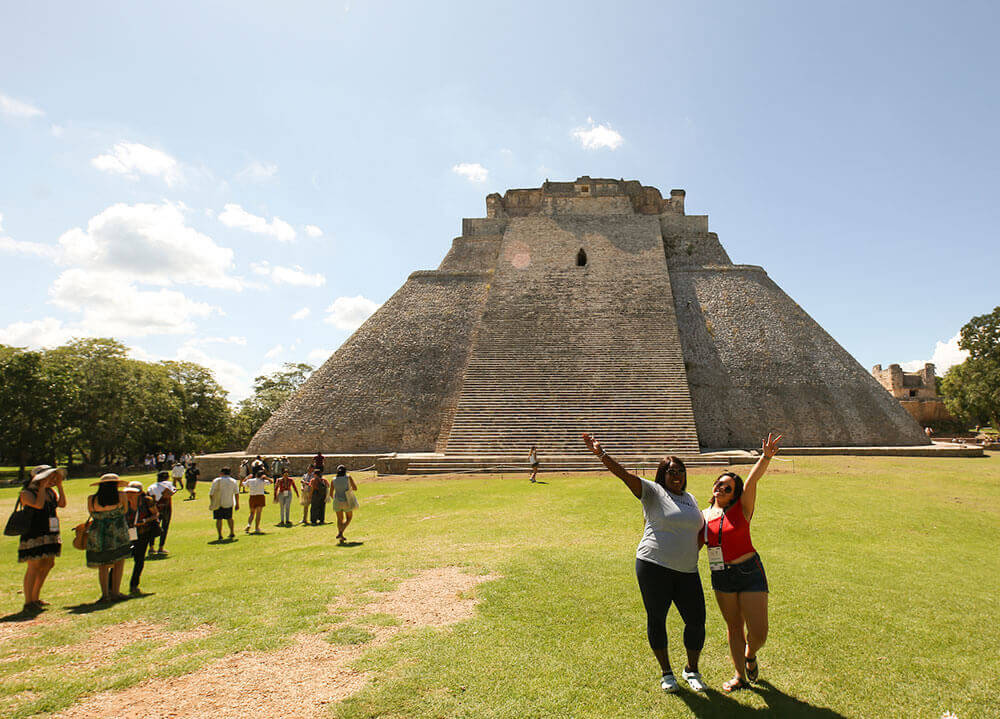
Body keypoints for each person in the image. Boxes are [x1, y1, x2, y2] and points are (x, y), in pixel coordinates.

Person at [582, 433, 707, 693]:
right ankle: (667, 673)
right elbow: (624, 475)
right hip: (653, 566)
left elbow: (697, 531)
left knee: (696, 620)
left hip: (687, 570)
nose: (678, 476)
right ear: (662, 474)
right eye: (672, 472)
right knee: (657, 618)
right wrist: (601, 453)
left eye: (681, 471)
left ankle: (691, 670)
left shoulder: (691, 498)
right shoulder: (652, 490)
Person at [702, 433, 782, 692]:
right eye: (719, 485)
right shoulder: (702, 516)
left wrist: (765, 457)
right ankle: (739, 675)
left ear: (734, 495)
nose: (721, 489)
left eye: (728, 488)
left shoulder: (742, 510)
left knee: (758, 632)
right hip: (721, 575)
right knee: (734, 626)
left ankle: (750, 654)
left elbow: (752, 480)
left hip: (749, 571)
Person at [17, 465, 67, 612]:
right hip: (34, 533)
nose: (51, 479)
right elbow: (38, 505)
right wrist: (42, 487)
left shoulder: (50, 492)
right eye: (48, 476)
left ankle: (36, 597)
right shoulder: (26, 493)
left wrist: (60, 486)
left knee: (48, 563)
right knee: (34, 566)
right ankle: (28, 601)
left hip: (50, 532)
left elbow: (62, 504)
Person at [86, 474, 133, 602]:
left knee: (103, 565)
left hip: (98, 533)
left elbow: (92, 513)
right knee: (119, 562)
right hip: (117, 531)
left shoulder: (92, 499)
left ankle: (105, 594)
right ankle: (116, 592)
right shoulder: (121, 496)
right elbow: (124, 511)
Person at [123, 481, 160, 594]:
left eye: (132, 492)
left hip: (143, 532)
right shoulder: (123, 501)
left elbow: (155, 514)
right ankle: (111, 588)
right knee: (119, 559)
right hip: (126, 533)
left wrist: (144, 521)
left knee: (139, 559)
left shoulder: (147, 501)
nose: (129, 494)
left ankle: (134, 585)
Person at [147, 470, 178, 555]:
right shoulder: (168, 484)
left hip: (154, 508)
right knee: (165, 527)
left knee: (153, 527)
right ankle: (161, 547)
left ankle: (151, 547)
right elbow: (173, 491)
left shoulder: (151, 486)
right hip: (166, 508)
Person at [209, 467, 241, 541]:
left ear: (222, 472)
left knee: (219, 519)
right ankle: (232, 532)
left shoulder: (217, 480)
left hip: (218, 502)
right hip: (229, 502)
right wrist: (237, 503)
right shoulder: (233, 481)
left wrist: (212, 502)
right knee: (229, 518)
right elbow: (236, 493)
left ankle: (220, 535)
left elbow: (211, 493)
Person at [331, 465, 359, 543]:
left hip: (337, 501)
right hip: (347, 500)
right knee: (349, 518)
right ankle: (340, 532)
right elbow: (355, 488)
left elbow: (330, 493)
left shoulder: (333, 480)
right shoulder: (348, 478)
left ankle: (341, 536)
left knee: (339, 519)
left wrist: (336, 499)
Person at [242, 469, 272, 533]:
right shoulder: (263, 481)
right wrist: (266, 477)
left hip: (252, 497)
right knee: (258, 513)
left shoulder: (250, 480)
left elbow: (243, 484)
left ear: (256, 475)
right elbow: (271, 481)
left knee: (252, 513)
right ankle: (256, 527)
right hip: (260, 496)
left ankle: (249, 524)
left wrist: (246, 478)